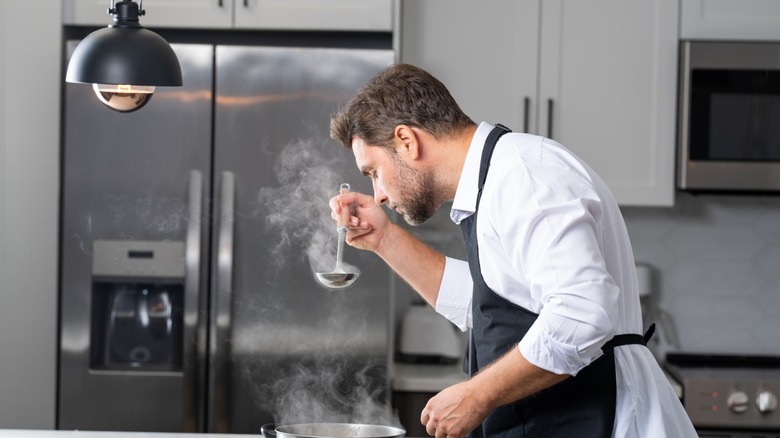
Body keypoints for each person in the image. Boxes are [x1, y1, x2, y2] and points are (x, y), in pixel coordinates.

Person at [327, 63, 696, 438]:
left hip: (601, 417)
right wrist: (384, 238)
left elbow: (582, 313)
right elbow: (495, 309)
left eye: (373, 171)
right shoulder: (497, 180)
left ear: (406, 140)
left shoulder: (524, 176)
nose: (379, 194)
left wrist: (476, 396)